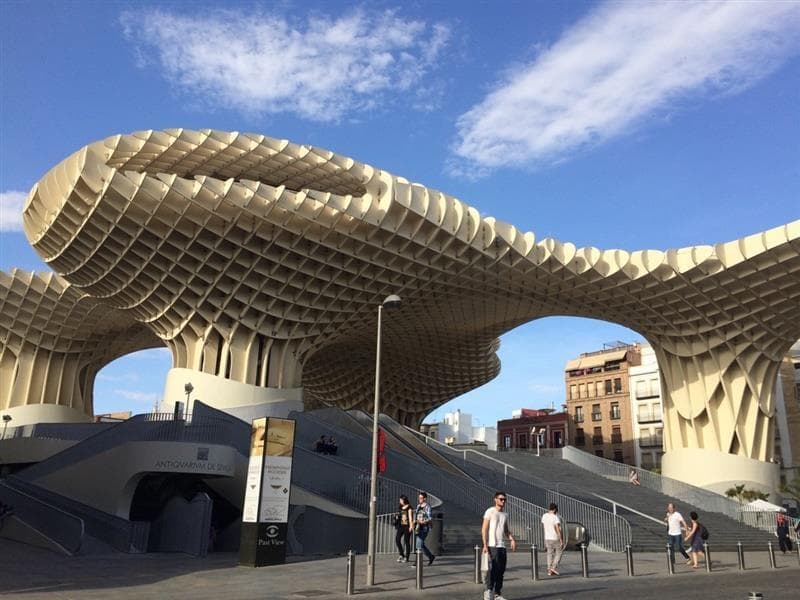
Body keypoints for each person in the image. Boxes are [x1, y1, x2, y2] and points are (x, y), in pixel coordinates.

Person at [482, 491, 516, 600]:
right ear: (495, 499)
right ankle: (489, 590)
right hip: (492, 545)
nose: (503, 501)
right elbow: (484, 529)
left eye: (504, 499)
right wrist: (485, 545)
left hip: (502, 546)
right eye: (501, 499)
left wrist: (511, 539)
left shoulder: (505, 514)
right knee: (495, 568)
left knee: (501, 570)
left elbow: (506, 530)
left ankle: (497, 593)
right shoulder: (490, 511)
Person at [541, 502, 565, 576]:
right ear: (554, 509)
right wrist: (561, 538)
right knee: (559, 552)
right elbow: (557, 528)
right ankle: (553, 567)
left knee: (549, 554)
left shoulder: (544, 516)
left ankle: (549, 570)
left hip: (547, 538)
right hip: (555, 537)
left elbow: (544, 526)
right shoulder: (555, 517)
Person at [413, 491, 435, 566]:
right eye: (419, 498)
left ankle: (417, 561)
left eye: (421, 498)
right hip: (418, 527)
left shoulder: (428, 507)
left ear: (425, 499)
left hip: (424, 527)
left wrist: (423, 521)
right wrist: (414, 522)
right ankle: (431, 556)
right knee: (421, 545)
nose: (419, 499)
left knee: (418, 545)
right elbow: (416, 515)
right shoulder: (418, 506)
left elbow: (430, 518)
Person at [394, 494, 414, 562]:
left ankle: (407, 557)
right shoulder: (400, 506)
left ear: (404, 500)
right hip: (400, 525)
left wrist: (411, 526)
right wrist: (397, 517)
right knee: (397, 539)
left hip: (407, 526)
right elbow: (399, 514)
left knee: (406, 541)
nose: (400, 501)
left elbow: (411, 518)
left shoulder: (409, 508)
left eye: (400, 500)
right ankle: (401, 554)